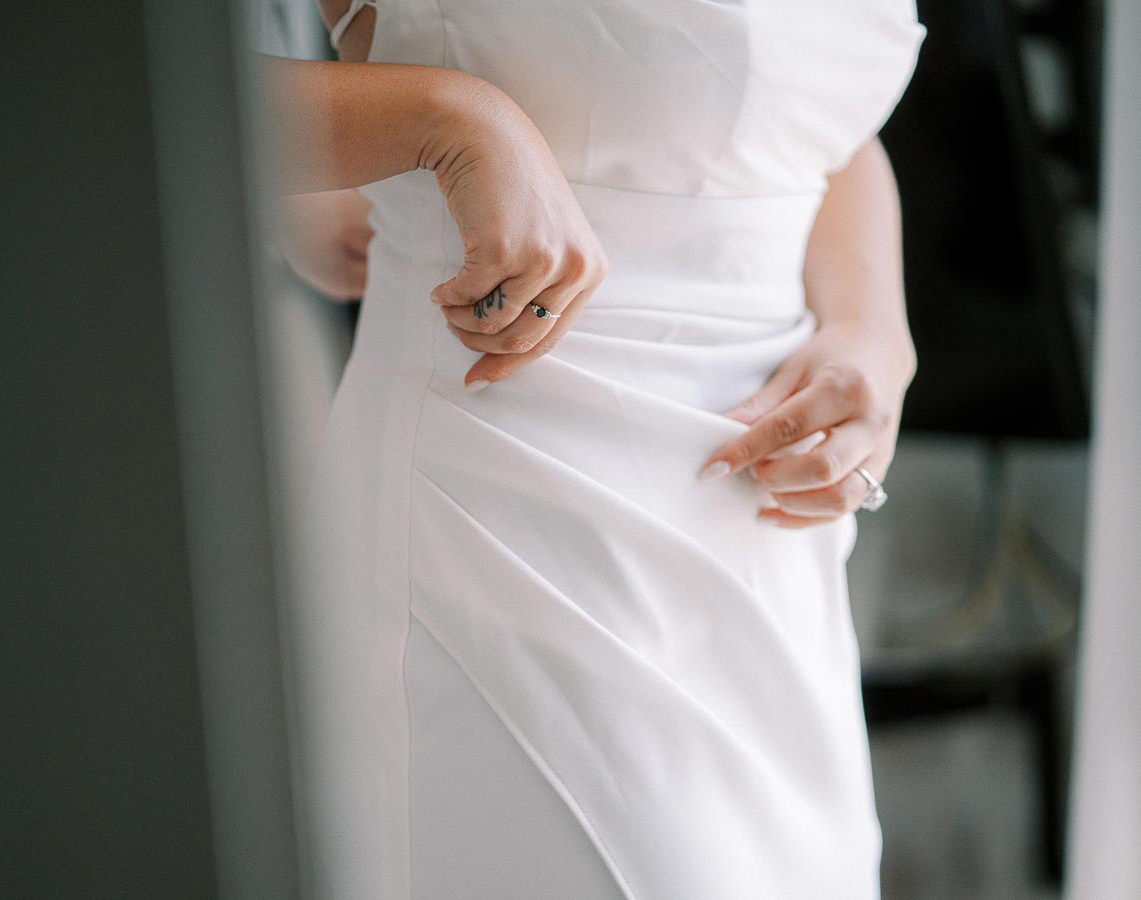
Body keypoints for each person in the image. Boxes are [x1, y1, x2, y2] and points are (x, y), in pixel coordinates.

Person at [261, 0, 925, 895]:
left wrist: (873, 324)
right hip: (503, 525)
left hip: (770, 564)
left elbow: (824, 126)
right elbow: (56, 77)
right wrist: (443, 118)